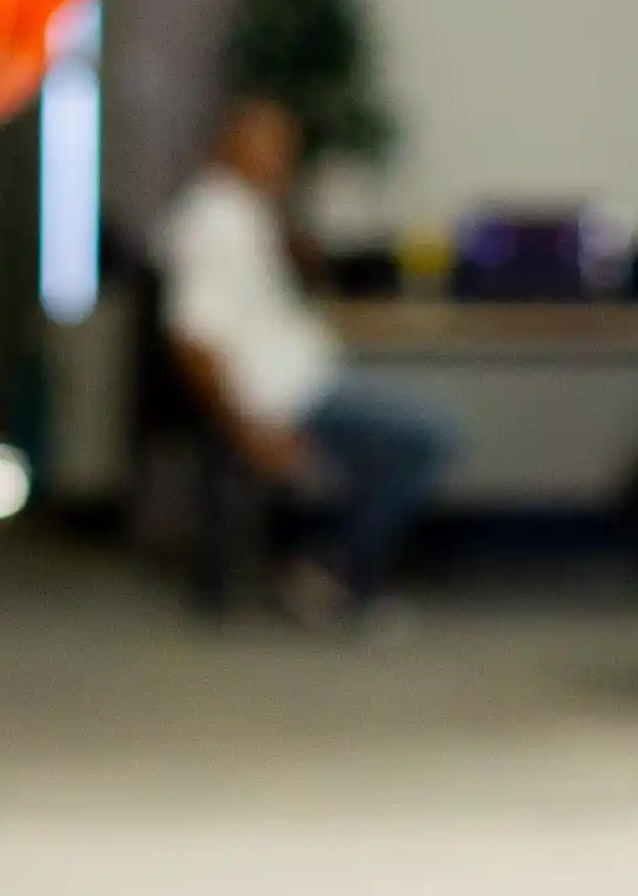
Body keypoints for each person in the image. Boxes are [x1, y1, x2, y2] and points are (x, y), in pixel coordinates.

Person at [152, 94, 457, 631]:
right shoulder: (210, 223)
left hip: (307, 377)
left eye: (285, 147)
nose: (280, 159)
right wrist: (248, 431)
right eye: (267, 145)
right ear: (229, 146)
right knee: (427, 437)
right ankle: (338, 575)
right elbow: (193, 340)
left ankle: (331, 564)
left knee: (406, 431)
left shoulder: (249, 212)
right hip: (282, 399)